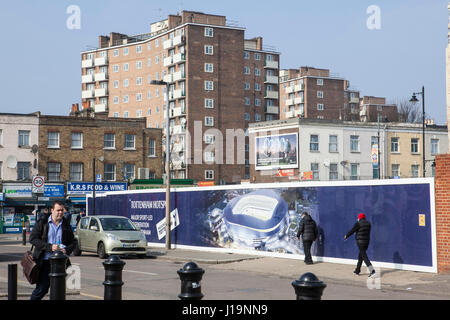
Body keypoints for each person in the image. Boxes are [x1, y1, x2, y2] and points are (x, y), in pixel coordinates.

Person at [29, 200, 76, 300]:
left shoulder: (66, 224)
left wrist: (66, 250)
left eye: (62, 210)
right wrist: (50, 247)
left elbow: (73, 242)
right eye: (58, 210)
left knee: (58, 289)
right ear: (52, 210)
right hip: (45, 262)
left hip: (60, 263)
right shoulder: (43, 222)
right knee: (42, 289)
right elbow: (32, 239)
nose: (60, 212)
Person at [344, 213, 375, 277]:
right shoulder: (368, 224)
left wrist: (346, 236)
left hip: (360, 242)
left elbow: (352, 230)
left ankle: (372, 271)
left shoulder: (358, 223)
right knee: (360, 257)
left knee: (364, 256)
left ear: (359, 218)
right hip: (367, 242)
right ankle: (357, 271)